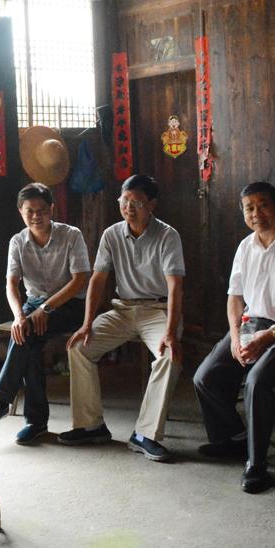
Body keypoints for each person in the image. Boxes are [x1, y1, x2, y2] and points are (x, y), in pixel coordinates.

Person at [193, 181, 275, 493]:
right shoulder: (246, 246)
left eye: (263, 205)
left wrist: (269, 336)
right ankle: (234, 438)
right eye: (249, 208)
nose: (256, 213)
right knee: (205, 377)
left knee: (256, 383)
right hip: (252, 324)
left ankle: (257, 464)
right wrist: (235, 336)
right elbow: (234, 296)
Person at [61, 174, 185, 463]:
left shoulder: (168, 236)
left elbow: (175, 287)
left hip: (158, 310)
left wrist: (170, 332)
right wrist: (87, 323)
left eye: (137, 202)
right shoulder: (112, 234)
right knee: (78, 347)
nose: (129, 207)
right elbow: (97, 280)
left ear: (151, 205)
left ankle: (145, 435)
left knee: (170, 356)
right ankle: (90, 426)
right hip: (123, 309)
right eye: (125, 200)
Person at [0, 183, 89, 444]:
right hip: (34, 305)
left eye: (42, 210)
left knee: (28, 333)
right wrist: (18, 316)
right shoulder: (17, 241)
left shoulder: (71, 235)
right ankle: (34, 422)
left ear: (52, 209)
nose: (36, 216)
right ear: (21, 212)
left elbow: (79, 280)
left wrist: (46, 308)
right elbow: (11, 284)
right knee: (27, 337)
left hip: (69, 304)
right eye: (30, 211)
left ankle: (2, 401)